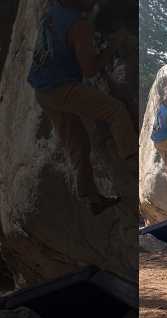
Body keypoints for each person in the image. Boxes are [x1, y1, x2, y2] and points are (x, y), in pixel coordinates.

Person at [27, 0, 137, 215]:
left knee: (77, 144)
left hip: (42, 89)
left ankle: (91, 197)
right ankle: (133, 160)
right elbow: (89, 70)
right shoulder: (79, 26)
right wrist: (113, 47)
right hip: (61, 88)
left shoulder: (53, 11)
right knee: (115, 111)